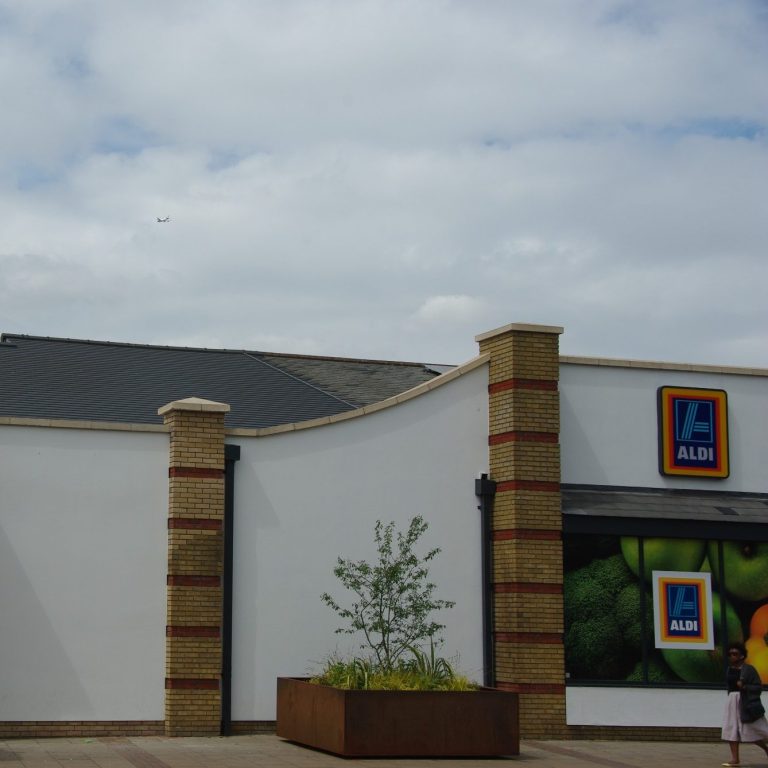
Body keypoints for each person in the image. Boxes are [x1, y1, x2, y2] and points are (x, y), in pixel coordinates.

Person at [721, 641, 768, 766]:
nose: (731, 656)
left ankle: (766, 749)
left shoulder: (749, 669)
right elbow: (729, 687)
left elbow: (758, 687)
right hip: (732, 702)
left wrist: (745, 687)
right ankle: (735, 759)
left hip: (746, 702)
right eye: (730, 654)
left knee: (752, 729)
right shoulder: (729, 670)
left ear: (742, 656)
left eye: (735, 654)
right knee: (731, 729)